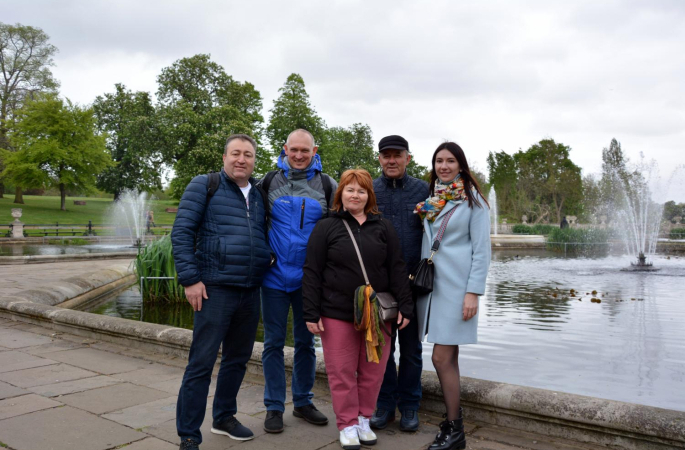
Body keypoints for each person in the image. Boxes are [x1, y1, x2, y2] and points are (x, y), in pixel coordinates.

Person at [171, 134, 272, 450]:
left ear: (254, 160)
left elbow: (261, 233)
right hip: (214, 289)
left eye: (248, 154)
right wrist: (190, 280)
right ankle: (189, 434)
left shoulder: (259, 194)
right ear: (224, 157)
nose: (242, 159)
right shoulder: (205, 185)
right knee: (201, 363)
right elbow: (182, 232)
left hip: (250, 290)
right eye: (236, 153)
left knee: (237, 360)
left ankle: (224, 417)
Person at [302, 169, 414, 450]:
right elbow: (312, 271)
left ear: (369, 196)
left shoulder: (383, 227)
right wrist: (310, 312)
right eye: (350, 190)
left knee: (373, 371)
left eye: (361, 191)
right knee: (341, 371)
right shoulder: (326, 227)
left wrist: (406, 305)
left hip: (377, 314)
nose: (355, 195)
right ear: (340, 193)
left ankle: (364, 419)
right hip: (336, 312)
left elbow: (397, 268)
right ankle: (347, 424)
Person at [257, 129, 336, 433]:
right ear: (285, 149)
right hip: (274, 278)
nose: (300, 155)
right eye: (294, 150)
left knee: (306, 343)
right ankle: (274, 407)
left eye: (305, 150)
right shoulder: (268, 182)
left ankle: (303, 401)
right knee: (273, 344)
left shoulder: (327, 185)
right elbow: (255, 223)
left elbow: (335, 232)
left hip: (309, 281)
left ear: (314, 151)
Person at [414, 142, 491, 450]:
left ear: (461, 165)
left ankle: (455, 428)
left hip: (458, 290)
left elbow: (482, 252)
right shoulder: (434, 200)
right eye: (438, 161)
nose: (443, 166)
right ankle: (453, 426)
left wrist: (473, 293)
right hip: (434, 288)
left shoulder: (473, 202)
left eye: (450, 161)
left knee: (440, 357)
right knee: (448, 358)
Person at [371, 135, 429, 432]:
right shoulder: (370, 189)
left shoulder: (424, 190)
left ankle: (409, 405)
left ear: (408, 158)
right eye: (386, 155)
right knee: (381, 348)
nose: (391, 160)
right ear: (379, 158)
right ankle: (384, 404)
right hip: (380, 285)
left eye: (397, 155)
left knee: (411, 349)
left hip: (413, 283)